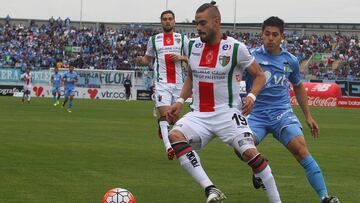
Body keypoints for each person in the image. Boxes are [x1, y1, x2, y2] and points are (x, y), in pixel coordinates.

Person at [167, 2, 281, 203]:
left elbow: (260, 75)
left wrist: (252, 96)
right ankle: (211, 189)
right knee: (175, 136)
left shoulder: (237, 48)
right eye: (196, 23)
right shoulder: (191, 45)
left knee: (250, 154)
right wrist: (179, 100)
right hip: (199, 114)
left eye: (202, 23)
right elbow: (191, 77)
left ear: (216, 22)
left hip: (228, 113)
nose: (198, 28)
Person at [245, 16, 339, 203]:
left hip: (282, 114)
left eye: (275, 34)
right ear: (261, 35)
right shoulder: (250, 57)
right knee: (242, 146)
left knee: (301, 151)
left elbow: (298, 86)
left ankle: (325, 197)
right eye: (267, 34)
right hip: (256, 115)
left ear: (282, 37)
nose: (270, 38)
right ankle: (259, 168)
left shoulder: (291, 60)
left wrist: (308, 116)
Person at [136, 10, 189, 160]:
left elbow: (192, 58)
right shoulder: (154, 40)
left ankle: (162, 125)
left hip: (179, 84)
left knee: (174, 119)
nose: (167, 21)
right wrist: (141, 60)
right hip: (162, 83)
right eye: (164, 19)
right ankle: (169, 148)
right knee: (166, 115)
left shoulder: (182, 39)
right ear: (161, 22)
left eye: (170, 19)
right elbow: (147, 59)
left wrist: (181, 57)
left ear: (174, 21)